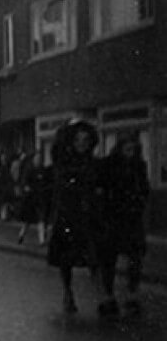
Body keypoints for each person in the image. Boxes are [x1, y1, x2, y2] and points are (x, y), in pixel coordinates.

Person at [47, 120, 104, 314]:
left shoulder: (93, 163)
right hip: (68, 216)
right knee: (66, 260)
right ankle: (68, 292)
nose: (82, 143)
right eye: (78, 139)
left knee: (94, 257)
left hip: (89, 216)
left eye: (86, 140)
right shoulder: (64, 162)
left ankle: (101, 295)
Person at [97, 135, 149, 317]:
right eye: (127, 149)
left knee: (135, 257)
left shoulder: (139, 167)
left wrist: (139, 202)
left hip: (132, 218)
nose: (130, 153)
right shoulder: (109, 166)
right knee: (109, 259)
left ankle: (131, 294)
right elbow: (101, 190)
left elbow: (144, 188)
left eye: (133, 150)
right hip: (113, 219)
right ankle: (108, 296)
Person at [16, 153, 51, 245]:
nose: (38, 161)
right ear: (33, 160)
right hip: (31, 199)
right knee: (27, 221)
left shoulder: (43, 170)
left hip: (40, 198)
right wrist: (26, 187)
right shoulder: (29, 170)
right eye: (36, 159)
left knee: (41, 219)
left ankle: (42, 240)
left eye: (39, 159)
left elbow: (47, 182)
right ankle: (21, 235)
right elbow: (24, 182)